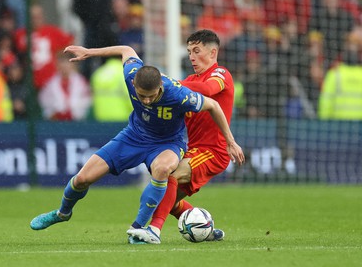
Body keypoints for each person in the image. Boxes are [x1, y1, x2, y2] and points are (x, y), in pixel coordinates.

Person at [29, 44, 245, 238]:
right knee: (82, 178)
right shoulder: (131, 73)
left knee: (164, 170)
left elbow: (214, 105)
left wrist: (230, 141)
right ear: (133, 84)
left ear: (160, 86)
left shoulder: (178, 94)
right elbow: (126, 50)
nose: (148, 100)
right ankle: (62, 213)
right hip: (133, 136)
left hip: (168, 143)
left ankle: (139, 227)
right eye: (142, 96)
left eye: (153, 95)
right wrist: (89, 52)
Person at [127, 30, 245, 244]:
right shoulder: (190, 80)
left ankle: (154, 230)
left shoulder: (220, 74)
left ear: (213, 52)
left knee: (171, 175)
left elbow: (208, 89)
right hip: (191, 149)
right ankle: (206, 230)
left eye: (197, 51)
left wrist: (169, 81)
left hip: (212, 152)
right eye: (189, 51)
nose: (191, 56)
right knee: (165, 198)